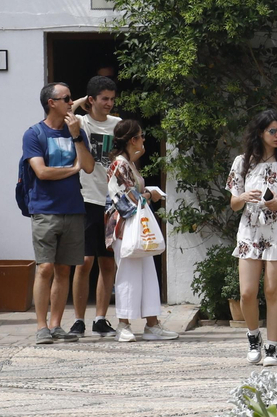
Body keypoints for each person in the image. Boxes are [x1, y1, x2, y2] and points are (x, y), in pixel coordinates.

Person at [229, 110, 277, 366]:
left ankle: (272, 347)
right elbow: (233, 204)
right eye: (272, 131)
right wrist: (243, 197)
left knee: (272, 290)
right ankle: (254, 338)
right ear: (260, 133)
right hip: (250, 231)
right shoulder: (243, 162)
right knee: (247, 292)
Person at [23, 82, 94, 344]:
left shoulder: (76, 131)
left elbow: (88, 166)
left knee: (64, 269)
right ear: (51, 103)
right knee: (45, 268)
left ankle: (56, 325)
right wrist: (72, 169)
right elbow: (42, 172)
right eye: (66, 98)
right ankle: (41, 326)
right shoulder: (34, 134)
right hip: (45, 210)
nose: (71, 102)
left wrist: (76, 136)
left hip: (73, 209)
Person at [106, 119, 178, 343]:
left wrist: (145, 192)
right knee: (127, 274)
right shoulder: (119, 165)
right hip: (124, 227)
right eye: (141, 136)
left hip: (136, 226)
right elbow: (124, 201)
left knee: (147, 273)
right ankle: (123, 324)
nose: (144, 139)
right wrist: (149, 195)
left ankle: (152, 324)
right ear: (133, 140)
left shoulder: (128, 163)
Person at [68, 76, 121, 339]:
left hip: (112, 201)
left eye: (112, 99)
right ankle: (78, 320)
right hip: (86, 198)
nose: (109, 103)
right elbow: (65, 111)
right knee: (84, 261)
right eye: (104, 98)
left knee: (107, 263)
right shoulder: (81, 123)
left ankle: (100, 319)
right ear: (92, 100)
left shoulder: (118, 125)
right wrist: (83, 101)